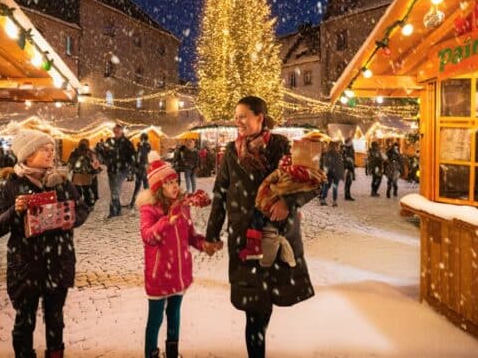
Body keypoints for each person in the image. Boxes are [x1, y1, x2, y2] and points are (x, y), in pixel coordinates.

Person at [205, 96, 316, 358]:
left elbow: (312, 182)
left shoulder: (281, 146)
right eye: (236, 116)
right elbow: (221, 192)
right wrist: (212, 233)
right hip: (246, 239)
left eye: (244, 115)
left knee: (263, 307)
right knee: (254, 311)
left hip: (276, 236)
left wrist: (288, 202)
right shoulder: (233, 151)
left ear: (260, 118)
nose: (238, 121)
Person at [0, 129, 91, 357]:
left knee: (56, 321)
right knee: (25, 323)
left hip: (58, 264)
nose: (51, 153)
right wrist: (16, 210)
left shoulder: (61, 182)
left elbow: (82, 208)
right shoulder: (10, 186)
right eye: (45, 149)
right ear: (28, 154)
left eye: (52, 149)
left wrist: (69, 219)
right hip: (26, 267)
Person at [138, 153, 210, 358]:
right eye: (168, 183)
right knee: (155, 318)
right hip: (159, 273)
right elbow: (148, 236)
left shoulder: (183, 205)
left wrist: (204, 244)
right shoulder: (149, 209)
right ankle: (151, 353)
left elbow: (190, 235)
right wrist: (166, 221)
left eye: (175, 181)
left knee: (174, 313)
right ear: (158, 187)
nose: (174, 186)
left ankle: (172, 351)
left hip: (179, 271)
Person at [103, 124, 136, 217]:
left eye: (118, 130)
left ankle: (113, 211)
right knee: (113, 190)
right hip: (111, 169)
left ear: (122, 131)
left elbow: (133, 156)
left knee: (115, 191)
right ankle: (117, 210)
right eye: (115, 130)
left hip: (122, 170)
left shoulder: (127, 143)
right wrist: (105, 158)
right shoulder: (109, 141)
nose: (116, 132)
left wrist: (130, 169)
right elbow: (104, 154)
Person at [67, 139, 101, 208]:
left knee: (84, 191)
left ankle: (85, 205)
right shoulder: (77, 152)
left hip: (85, 175)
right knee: (82, 191)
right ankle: (84, 205)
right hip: (80, 175)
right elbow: (71, 163)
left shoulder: (89, 153)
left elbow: (95, 163)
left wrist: (95, 170)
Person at [130, 133, 152, 208]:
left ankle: (132, 203)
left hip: (140, 168)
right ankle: (148, 203)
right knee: (146, 186)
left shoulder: (141, 147)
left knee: (138, 186)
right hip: (144, 168)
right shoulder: (146, 147)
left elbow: (137, 158)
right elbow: (145, 157)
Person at [319, 141, 344, 207]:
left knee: (326, 186)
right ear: (335, 146)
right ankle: (334, 202)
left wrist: (325, 172)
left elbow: (325, 164)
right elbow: (340, 165)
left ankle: (323, 200)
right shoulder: (338, 154)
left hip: (328, 173)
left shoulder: (327, 154)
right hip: (336, 173)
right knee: (335, 187)